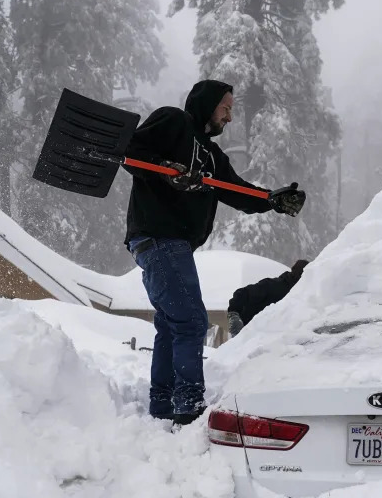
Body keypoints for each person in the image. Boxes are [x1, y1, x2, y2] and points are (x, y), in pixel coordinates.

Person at [123, 79, 306, 425]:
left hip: (171, 246)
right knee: (192, 321)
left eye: (232, 110)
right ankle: (188, 404)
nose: (230, 117)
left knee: (172, 324)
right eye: (226, 108)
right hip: (159, 236)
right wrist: (169, 171)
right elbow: (131, 152)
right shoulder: (172, 121)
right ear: (207, 104)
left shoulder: (212, 156)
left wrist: (271, 200)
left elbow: (236, 191)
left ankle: (163, 403)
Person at [227, 259, 309, 338]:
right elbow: (242, 293)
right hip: (250, 335)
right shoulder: (273, 286)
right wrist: (233, 314)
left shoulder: (305, 296)